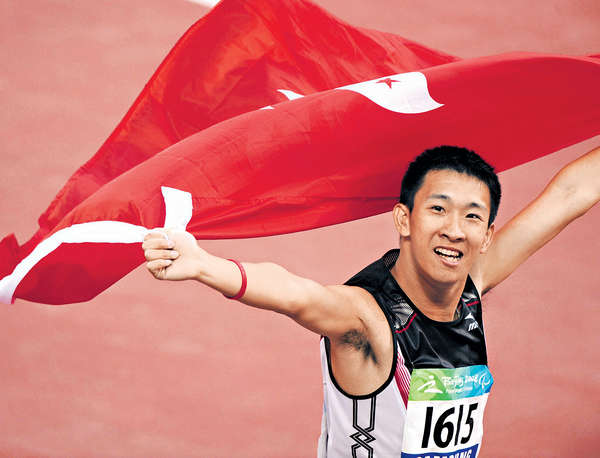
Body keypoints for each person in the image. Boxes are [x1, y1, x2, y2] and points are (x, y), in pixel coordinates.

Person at [142, 144, 600, 457]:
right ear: (403, 219)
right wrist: (205, 266)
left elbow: (569, 194)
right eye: (438, 209)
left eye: (472, 217)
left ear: (487, 236)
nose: (454, 230)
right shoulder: (367, 319)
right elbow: (298, 295)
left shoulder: (468, 285)